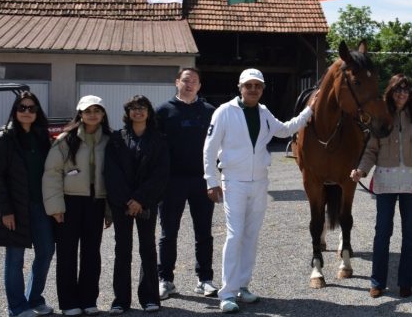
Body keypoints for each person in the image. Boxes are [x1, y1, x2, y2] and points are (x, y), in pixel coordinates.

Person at [203, 68, 314, 313]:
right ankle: (228, 293)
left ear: (262, 90)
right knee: (235, 235)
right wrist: (211, 181)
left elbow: (285, 129)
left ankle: (243, 285)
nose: (253, 90)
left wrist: (309, 111)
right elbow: (209, 149)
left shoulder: (263, 113)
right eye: (249, 85)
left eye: (258, 86)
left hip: (259, 182)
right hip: (233, 182)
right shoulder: (224, 112)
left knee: (251, 235)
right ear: (240, 88)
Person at [350, 74, 412, 299]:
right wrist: (361, 170)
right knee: (382, 233)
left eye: (406, 90)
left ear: (410, 94)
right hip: (385, 183)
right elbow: (371, 151)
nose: (402, 93)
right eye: (398, 89)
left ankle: (406, 282)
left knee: (410, 235)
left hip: (411, 184)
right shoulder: (381, 118)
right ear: (391, 91)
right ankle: (377, 281)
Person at [43, 95, 112, 316]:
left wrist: (110, 209)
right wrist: (56, 207)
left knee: (92, 252)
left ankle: (88, 299)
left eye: (97, 110)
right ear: (80, 114)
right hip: (69, 202)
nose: (92, 114)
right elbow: (52, 174)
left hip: (96, 201)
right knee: (67, 253)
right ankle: (69, 302)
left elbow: (113, 177)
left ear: (103, 115)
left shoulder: (110, 140)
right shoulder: (65, 139)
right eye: (87, 110)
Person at [0, 92, 55, 317]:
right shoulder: (4, 138)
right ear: (15, 111)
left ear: (38, 113)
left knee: (46, 252)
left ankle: (34, 299)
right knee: (15, 258)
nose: (27, 112)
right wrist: (6, 211)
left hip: (41, 207)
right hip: (15, 209)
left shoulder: (41, 137)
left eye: (32, 108)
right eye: (22, 108)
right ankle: (17, 307)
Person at [155, 68, 218, 299]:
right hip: (172, 182)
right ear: (176, 83)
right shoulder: (163, 111)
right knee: (168, 232)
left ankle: (205, 280)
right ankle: (165, 280)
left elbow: (221, 144)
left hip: (202, 181)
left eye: (194, 81)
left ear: (200, 86)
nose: (189, 84)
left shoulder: (210, 112)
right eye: (185, 80)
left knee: (204, 232)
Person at [104, 96, 170, 314]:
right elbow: (112, 173)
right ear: (128, 112)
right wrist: (127, 200)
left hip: (146, 203)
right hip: (122, 203)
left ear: (149, 112)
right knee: (122, 249)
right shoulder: (116, 138)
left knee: (147, 249)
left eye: (142, 108)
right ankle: (121, 300)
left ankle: (150, 297)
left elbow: (160, 174)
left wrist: (140, 199)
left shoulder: (159, 139)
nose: (138, 111)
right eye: (133, 108)